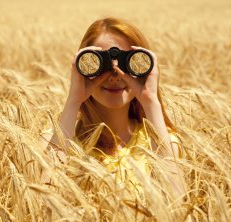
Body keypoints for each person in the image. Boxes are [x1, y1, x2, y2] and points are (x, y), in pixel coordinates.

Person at [50, 17, 185, 200]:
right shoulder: (60, 139)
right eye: (100, 63)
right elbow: (44, 203)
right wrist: (74, 99)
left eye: (126, 62)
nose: (115, 75)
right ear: (82, 68)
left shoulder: (163, 142)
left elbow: (176, 205)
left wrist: (150, 101)